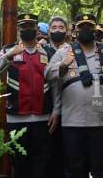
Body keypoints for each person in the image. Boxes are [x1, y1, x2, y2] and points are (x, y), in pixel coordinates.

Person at [45, 14, 103, 178]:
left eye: (89, 27)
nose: (86, 31)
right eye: (82, 27)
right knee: (75, 168)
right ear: (75, 30)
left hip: (100, 122)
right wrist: (62, 66)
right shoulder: (64, 52)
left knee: (101, 168)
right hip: (72, 122)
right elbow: (48, 75)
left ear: (94, 30)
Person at [0, 14, 56, 178]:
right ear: (18, 29)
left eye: (31, 26)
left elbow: (57, 83)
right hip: (16, 119)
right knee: (19, 166)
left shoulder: (48, 51)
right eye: (24, 26)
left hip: (43, 118)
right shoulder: (8, 49)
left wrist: (57, 110)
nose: (27, 29)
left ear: (36, 28)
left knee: (42, 165)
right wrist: (8, 55)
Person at [44, 16, 70, 178]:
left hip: (69, 109)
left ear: (67, 31)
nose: (58, 30)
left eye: (61, 27)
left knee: (67, 153)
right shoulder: (43, 51)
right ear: (48, 31)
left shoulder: (73, 50)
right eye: (54, 27)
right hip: (46, 108)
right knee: (48, 153)